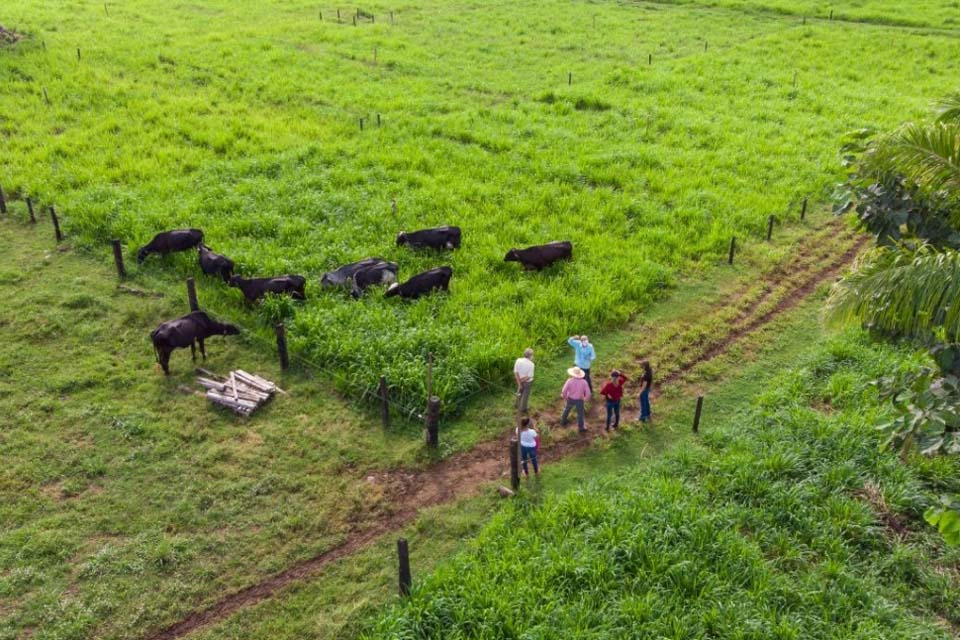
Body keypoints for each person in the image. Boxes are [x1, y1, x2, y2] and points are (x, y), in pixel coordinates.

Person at [560, 366, 591, 433]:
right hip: (579, 400)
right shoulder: (584, 382)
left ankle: (563, 421)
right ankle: (581, 427)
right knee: (580, 414)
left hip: (570, 398)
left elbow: (564, 390)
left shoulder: (569, 381)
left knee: (567, 409)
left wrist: (565, 397)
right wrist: (585, 399)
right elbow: (588, 393)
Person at [513, 348, 535, 414]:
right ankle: (523, 409)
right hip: (527, 383)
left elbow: (515, 372)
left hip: (519, 380)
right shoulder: (531, 364)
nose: (533, 356)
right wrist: (521, 381)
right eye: (532, 355)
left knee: (519, 391)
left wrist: (519, 383)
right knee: (525, 395)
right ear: (530, 356)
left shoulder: (518, 360)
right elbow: (529, 376)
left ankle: (517, 405)